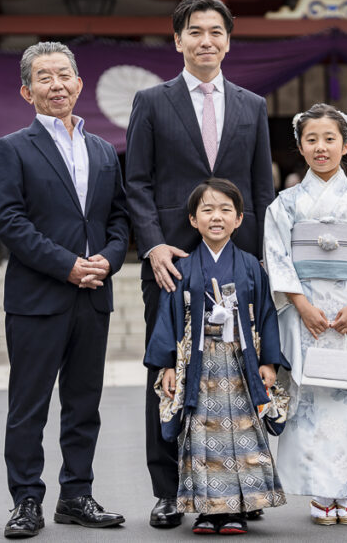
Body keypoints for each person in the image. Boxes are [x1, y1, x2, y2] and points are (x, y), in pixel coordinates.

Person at [125, 0, 276, 528]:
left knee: (238, 375)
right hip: (171, 262)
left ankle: (241, 487)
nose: (205, 40)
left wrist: (255, 266)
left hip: (236, 266)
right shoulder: (151, 101)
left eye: (215, 31)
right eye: (195, 31)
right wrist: (152, 244)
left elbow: (261, 187)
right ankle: (168, 489)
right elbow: (136, 181)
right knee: (168, 370)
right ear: (178, 39)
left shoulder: (252, 106)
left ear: (228, 41)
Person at [0, 42, 129, 538]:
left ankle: (77, 495)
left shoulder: (103, 151)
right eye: (44, 78)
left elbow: (117, 219)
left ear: (79, 83)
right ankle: (26, 499)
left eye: (64, 75)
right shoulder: (11, 148)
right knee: (29, 405)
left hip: (93, 295)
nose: (57, 85)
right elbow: (9, 221)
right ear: (27, 91)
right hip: (37, 298)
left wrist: (108, 261)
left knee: (83, 402)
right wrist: (67, 265)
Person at [264, 104, 347, 525]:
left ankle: (346, 489)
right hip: (306, 314)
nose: (321, 147)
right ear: (300, 147)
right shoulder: (285, 204)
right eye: (311, 140)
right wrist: (301, 305)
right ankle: (322, 493)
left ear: (346, 144)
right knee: (309, 398)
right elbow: (277, 257)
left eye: (329, 139)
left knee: (345, 400)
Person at [146, 179, 287, 535]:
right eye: (207, 210)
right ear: (193, 219)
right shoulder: (185, 267)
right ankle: (207, 510)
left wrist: (268, 361)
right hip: (199, 362)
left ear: (239, 219)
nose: (216, 217)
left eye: (225, 210)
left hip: (240, 365)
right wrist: (166, 365)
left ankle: (238, 508)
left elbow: (267, 314)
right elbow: (168, 317)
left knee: (240, 432)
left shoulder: (251, 267)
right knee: (201, 434)